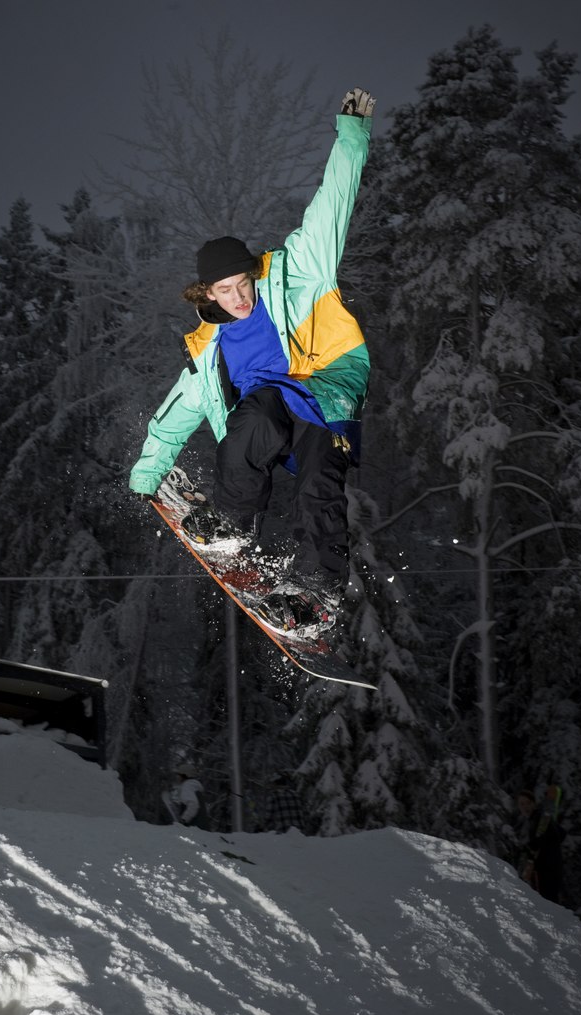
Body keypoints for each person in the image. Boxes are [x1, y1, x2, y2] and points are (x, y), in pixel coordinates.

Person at [129, 86, 376, 632]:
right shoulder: (209, 347)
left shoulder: (300, 271)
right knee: (255, 415)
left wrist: (352, 135)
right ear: (207, 294)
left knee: (320, 484)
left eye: (244, 284)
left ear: (253, 274)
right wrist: (148, 472)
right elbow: (178, 412)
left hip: (326, 393)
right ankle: (234, 524)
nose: (239, 298)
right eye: (225, 291)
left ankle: (316, 594)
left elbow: (332, 205)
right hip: (270, 416)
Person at [517, 788, 565, 904]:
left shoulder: (540, 818)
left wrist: (533, 847)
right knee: (549, 904)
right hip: (549, 870)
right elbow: (560, 834)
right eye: (522, 804)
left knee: (547, 904)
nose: (525, 807)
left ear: (534, 804)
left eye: (528, 803)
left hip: (547, 871)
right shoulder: (536, 819)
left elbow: (548, 837)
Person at [162, 763, 210, 829]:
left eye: (179, 774)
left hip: (194, 829)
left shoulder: (187, 786)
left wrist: (184, 820)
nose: (177, 777)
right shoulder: (194, 786)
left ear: (185, 775)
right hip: (202, 828)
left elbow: (193, 804)